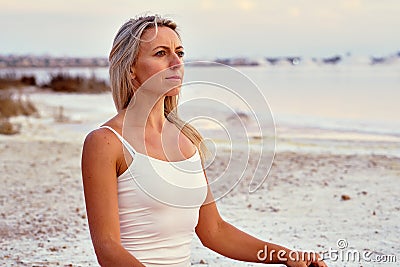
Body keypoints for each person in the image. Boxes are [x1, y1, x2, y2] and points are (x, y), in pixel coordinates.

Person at [81, 14, 328, 267]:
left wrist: (285, 255)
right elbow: (108, 248)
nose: (176, 62)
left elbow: (215, 231)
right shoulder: (105, 142)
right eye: (160, 53)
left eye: (180, 52)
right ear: (131, 67)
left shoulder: (186, 138)